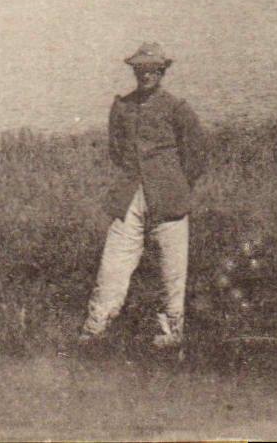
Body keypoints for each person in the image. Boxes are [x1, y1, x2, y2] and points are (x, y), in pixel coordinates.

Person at [79, 42, 205, 348]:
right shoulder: (122, 107)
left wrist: (173, 183)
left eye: (153, 69)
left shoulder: (178, 109)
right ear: (134, 71)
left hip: (169, 199)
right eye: (141, 69)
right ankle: (94, 333)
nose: (146, 74)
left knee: (172, 274)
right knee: (112, 268)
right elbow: (117, 151)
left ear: (162, 72)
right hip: (130, 198)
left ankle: (170, 336)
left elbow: (195, 156)